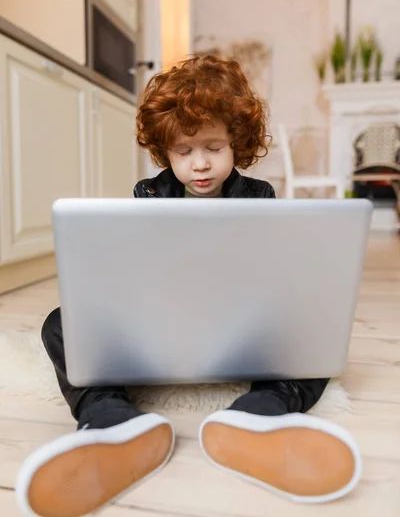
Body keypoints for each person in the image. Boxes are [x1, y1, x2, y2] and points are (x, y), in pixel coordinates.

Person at [16, 55, 361, 517]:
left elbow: (275, 280)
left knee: (317, 329)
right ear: (165, 151)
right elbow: (130, 278)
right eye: (184, 152)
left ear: (237, 142)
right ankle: (110, 421)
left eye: (214, 148)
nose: (199, 164)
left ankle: (258, 413)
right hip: (159, 329)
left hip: (243, 330)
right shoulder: (148, 194)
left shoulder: (260, 198)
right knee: (62, 324)